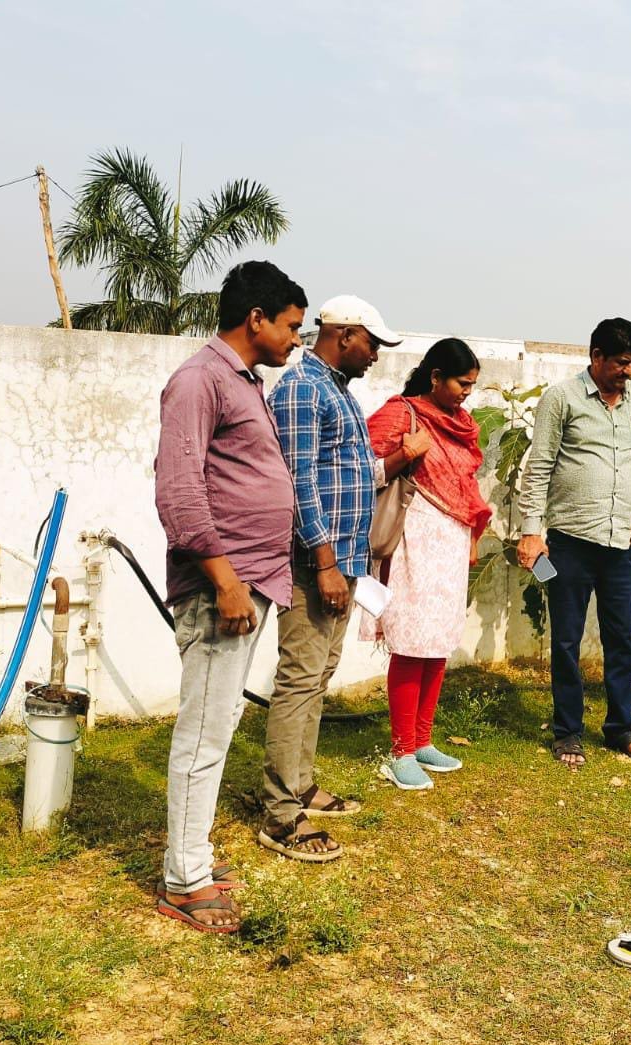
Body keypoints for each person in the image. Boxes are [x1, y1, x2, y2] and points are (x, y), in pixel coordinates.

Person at [153, 261, 306, 932]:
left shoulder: (241, 381)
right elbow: (179, 491)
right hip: (224, 588)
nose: (296, 339)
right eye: (292, 326)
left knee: (218, 728)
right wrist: (225, 579)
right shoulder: (199, 380)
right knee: (204, 733)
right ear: (257, 319)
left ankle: (194, 857)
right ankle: (182, 880)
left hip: (246, 583)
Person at [260, 295, 419, 862]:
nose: (377, 355)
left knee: (317, 677)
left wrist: (399, 460)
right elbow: (297, 481)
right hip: (313, 564)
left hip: (343, 562)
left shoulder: (338, 393)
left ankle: (299, 785)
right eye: (373, 344)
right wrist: (325, 563)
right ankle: (280, 816)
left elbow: (352, 474)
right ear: (345, 335)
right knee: (300, 679)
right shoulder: (304, 389)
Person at [516, 318, 631, 768]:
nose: (628, 372)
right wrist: (530, 531)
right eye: (621, 362)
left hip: (621, 546)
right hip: (571, 543)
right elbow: (538, 467)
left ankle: (620, 728)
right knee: (567, 641)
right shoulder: (562, 399)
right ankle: (568, 733)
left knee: (622, 639)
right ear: (595, 356)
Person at [363, 338, 493, 790]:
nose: (465, 393)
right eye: (461, 383)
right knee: (411, 641)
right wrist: (406, 454)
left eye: (472, 386)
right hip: (413, 539)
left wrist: (472, 534)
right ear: (435, 377)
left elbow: (466, 483)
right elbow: (360, 466)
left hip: (451, 543)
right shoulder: (403, 413)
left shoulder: (463, 424)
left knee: (437, 642)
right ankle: (399, 751)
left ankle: (422, 741)